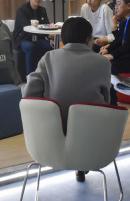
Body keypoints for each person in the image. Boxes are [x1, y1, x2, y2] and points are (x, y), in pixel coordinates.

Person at [21, 16, 112, 182]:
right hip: (93, 137)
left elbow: (29, 93)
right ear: (88, 38)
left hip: (51, 136)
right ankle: (81, 166)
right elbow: (106, 101)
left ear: (63, 38)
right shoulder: (102, 63)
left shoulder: (48, 58)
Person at [13, 0, 52, 76]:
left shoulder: (42, 10)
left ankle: (48, 75)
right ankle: (30, 76)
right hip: (24, 39)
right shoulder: (22, 10)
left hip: (38, 39)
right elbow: (27, 27)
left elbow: (46, 25)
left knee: (51, 47)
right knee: (30, 47)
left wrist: (51, 39)